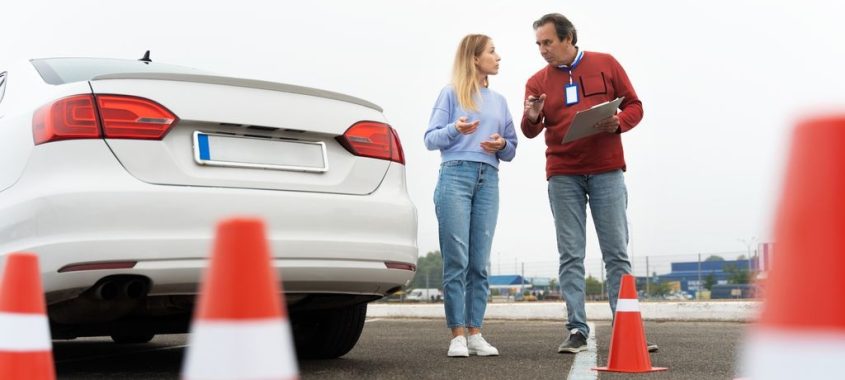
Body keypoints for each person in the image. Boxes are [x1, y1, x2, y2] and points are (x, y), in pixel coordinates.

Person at [520, 13, 657, 353]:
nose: (542, 50)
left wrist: (619, 121)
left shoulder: (606, 63)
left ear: (568, 38)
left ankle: (627, 326)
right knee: (570, 255)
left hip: (607, 171)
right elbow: (529, 129)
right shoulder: (536, 81)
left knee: (617, 254)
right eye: (538, 44)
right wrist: (533, 116)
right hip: (563, 174)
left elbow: (635, 105)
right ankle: (577, 330)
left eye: (547, 42)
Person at [424, 34, 518, 358]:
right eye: (492, 51)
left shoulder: (501, 101)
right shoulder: (450, 93)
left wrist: (501, 145)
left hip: (488, 178)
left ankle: (476, 332)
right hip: (455, 176)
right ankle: (457, 335)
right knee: (457, 261)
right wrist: (455, 130)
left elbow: (512, 148)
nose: (498, 56)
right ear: (475, 58)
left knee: (479, 263)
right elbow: (430, 138)